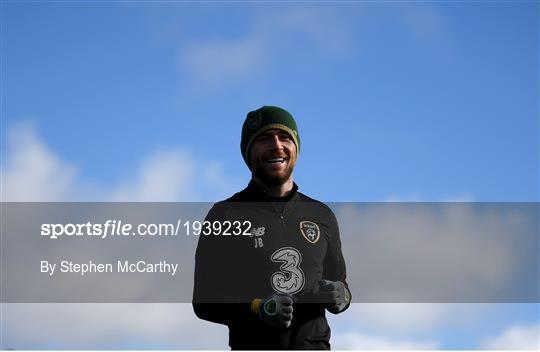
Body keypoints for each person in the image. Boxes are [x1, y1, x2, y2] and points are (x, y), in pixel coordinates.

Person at [193, 106, 351, 350]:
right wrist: (258, 307)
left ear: (296, 148)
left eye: (285, 137)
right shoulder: (225, 214)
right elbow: (203, 302)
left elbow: (340, 282)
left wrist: (342, 295)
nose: (276, 145)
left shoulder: (322, 215)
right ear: (249, 152)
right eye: (264, 139)